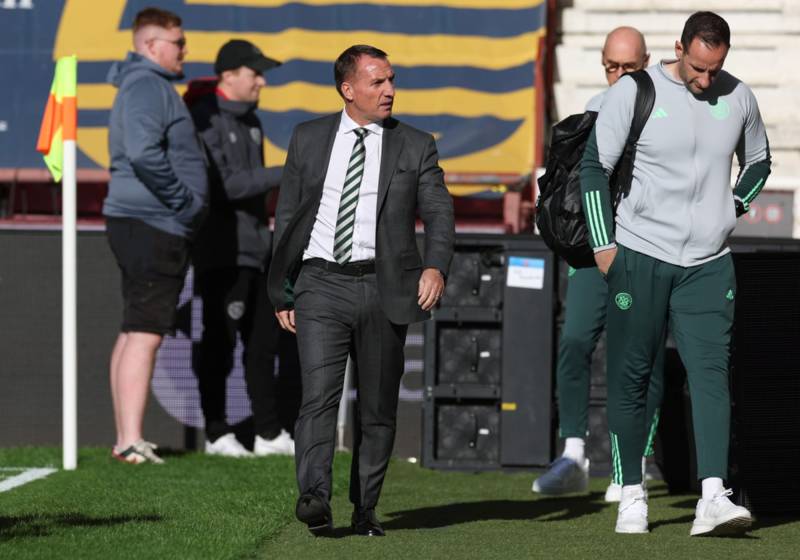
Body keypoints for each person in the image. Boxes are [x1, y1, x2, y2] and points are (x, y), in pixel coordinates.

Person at [581, 11, 770, 535]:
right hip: (639, 253)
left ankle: (713, 495)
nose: (706, 80)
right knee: (633, 374)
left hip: (708, 263)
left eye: (716, 69)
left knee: (712, 375)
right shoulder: (634, 91)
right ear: (679, 48)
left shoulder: (740, 97)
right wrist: (603, 245)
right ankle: (632, 495)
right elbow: (594, 167)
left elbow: (758, 161)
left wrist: (731, 208)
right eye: (698, 67)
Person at [268, 44, 454, 537]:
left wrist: (435, 266)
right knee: (318, 398)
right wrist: (283, 290)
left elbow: (438, 212)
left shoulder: (416, 144)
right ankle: (314, 497)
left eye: (391, 80)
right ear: (348, 90)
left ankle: (365, 508)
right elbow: (287, 218)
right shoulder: (307, 138)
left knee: (377, 408)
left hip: (384, 286)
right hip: (320, 283)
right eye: (377, 82)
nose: (389, 90)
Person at [533, 26, 662, 503]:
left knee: (640, 355)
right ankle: (572, 453)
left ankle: (635, 463)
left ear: (647, 62)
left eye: (629, 66)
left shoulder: (662, 107)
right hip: (597, 244)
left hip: (649, 245)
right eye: (612, 65)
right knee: (575, 340)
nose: (620, 74)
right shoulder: (595, 105)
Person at [103, 7, 207, 464]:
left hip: (145, 221)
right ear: (151, 45)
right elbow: (144, 153)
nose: (185, 50)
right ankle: (129, 440)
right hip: (152, 223)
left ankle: (128, 436)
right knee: (145, 331)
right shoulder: (148, 85)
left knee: (134, 328)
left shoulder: (146, 84)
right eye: (178, 42)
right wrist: (183, 203)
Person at [187, 39, 300, 457]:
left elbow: (251, 184)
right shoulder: (203, 117)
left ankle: (268, 434)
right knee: (220, 341)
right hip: (221, 250)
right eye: (255, 73)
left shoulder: (251, 120)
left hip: (258, 248)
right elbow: (227, 185)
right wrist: (284, 172)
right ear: (229, 75)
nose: (262, 81)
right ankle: (216, 432)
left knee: (263, 344)